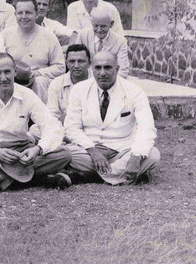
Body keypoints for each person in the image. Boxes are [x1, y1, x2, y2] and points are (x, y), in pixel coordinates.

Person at [0, 53, 72, 192]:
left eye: (7, 71)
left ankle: (2, 180)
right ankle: (40, 179)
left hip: (22, 151)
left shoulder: (27, 95)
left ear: (15, 71)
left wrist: (37, 149)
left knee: (64, 154)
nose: (3, 78)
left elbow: (51, 125)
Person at [64, 51, 160, 185]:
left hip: (122, 151)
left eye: (107, 67)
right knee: (65, 154)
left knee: (153, 155)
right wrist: (93, 151)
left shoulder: (134, 91)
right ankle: (122, 175)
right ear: (91, 68)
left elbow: (146, 127)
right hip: (88, 151)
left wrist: (136, 157)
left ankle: (88, 177)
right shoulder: (79, 90)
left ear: (117, 68)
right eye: (98, 68)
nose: (102, 73)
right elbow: (71, 127)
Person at [1, 0, 65, 103]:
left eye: (28, 13)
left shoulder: (48, 36)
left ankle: (39, 117)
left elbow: (60, 67)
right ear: (15, 15)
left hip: (39, 82)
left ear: (36, 14)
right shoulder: (5, 35)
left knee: (39, 82)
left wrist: (39, 73)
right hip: (13, 80)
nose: (24, 17)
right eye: (20, 13)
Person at [75, 6, 130, 78]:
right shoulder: (83, 35)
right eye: (95, 26)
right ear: (91, 23)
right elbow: (76, 58)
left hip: (108, 80)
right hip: (86, 79)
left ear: (111, 24)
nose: (99, 30)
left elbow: (123, 71)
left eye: (103, 26)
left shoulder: (120, 41)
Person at [46, 44, 92, 125]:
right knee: (34, 130)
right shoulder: (57, 83)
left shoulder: (97, 81)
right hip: (64, 125)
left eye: (81, 61)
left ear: (89, 63)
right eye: (72, 61)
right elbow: (52, 115)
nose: (76, 66)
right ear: (66, 63)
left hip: (91, 125)